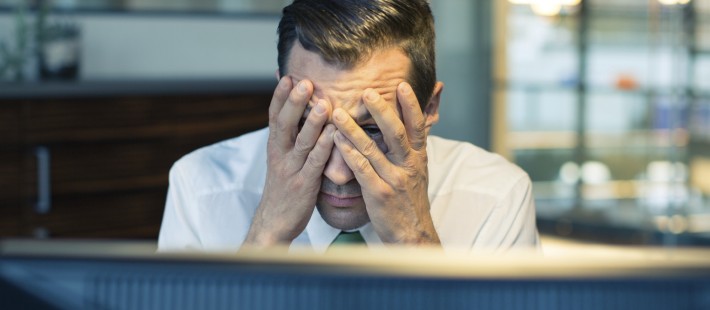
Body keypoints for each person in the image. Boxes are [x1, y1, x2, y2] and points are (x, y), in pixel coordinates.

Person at [158, 0, 539, 253]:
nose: (340, 173)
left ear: (429, 107)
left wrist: (414, 238)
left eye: (373, 131)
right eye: (311, 126)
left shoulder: (496, 196)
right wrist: (267, 233)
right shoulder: (201, 186)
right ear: (280, 102)